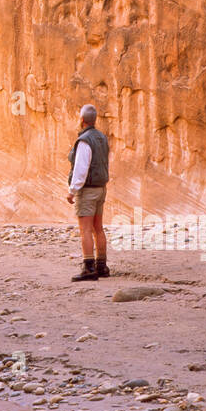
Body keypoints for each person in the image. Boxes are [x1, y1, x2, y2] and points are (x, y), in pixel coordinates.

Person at [66, 104, 110, 282]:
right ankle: (102, 266)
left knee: (85, 229)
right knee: (97, 228)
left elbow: (81, 169)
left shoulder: (84, 140)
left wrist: (72, 191)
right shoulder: (102, 138)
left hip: (88, 190)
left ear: (82, 120)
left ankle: (89, 267)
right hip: (101, 188)